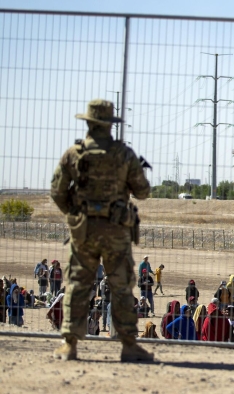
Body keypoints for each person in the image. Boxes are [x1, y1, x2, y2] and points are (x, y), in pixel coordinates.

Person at [50, 99, 153, 362]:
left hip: (83, 230)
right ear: (110, 125)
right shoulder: (124, 154)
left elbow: (57, 191)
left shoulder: (74, 153)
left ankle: (69, 344)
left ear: (88, 122)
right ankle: (128, 344)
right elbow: (143, 191)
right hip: (116, 231)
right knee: (120, 287)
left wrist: (75, 214)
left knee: (78, 284)